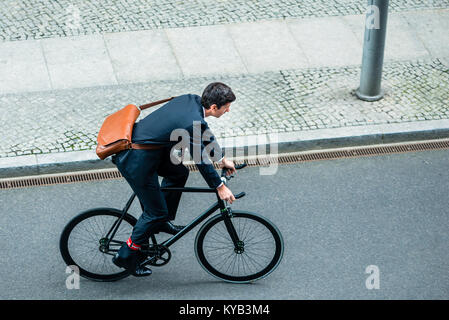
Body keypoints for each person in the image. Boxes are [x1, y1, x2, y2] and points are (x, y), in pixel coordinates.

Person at [112, 82, 237, 276]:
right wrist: (219, 186)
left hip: (150, 151)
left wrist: (221, 159)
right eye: (227, 107)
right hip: (136, 160)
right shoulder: (192, 122)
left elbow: (204, 133)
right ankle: (126, 256)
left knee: (179, 173)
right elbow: (201, 159)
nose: (228, 110)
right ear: (214, 107)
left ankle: (161, 221)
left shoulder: (192, 100)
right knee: (154, 212)